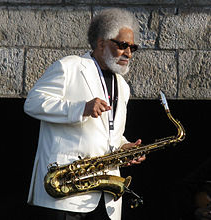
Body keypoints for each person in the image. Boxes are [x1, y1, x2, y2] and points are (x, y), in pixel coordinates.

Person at [24, 8, 145, 220]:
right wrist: (80, 108)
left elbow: (110, 134)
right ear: (101, 43)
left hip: (105, 198)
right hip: (66, 193)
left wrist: (124, 147)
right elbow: (32, 103)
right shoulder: (69, 67)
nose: (129, 53)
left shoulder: (123, 86)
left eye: (132, 47)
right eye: (123, 45)